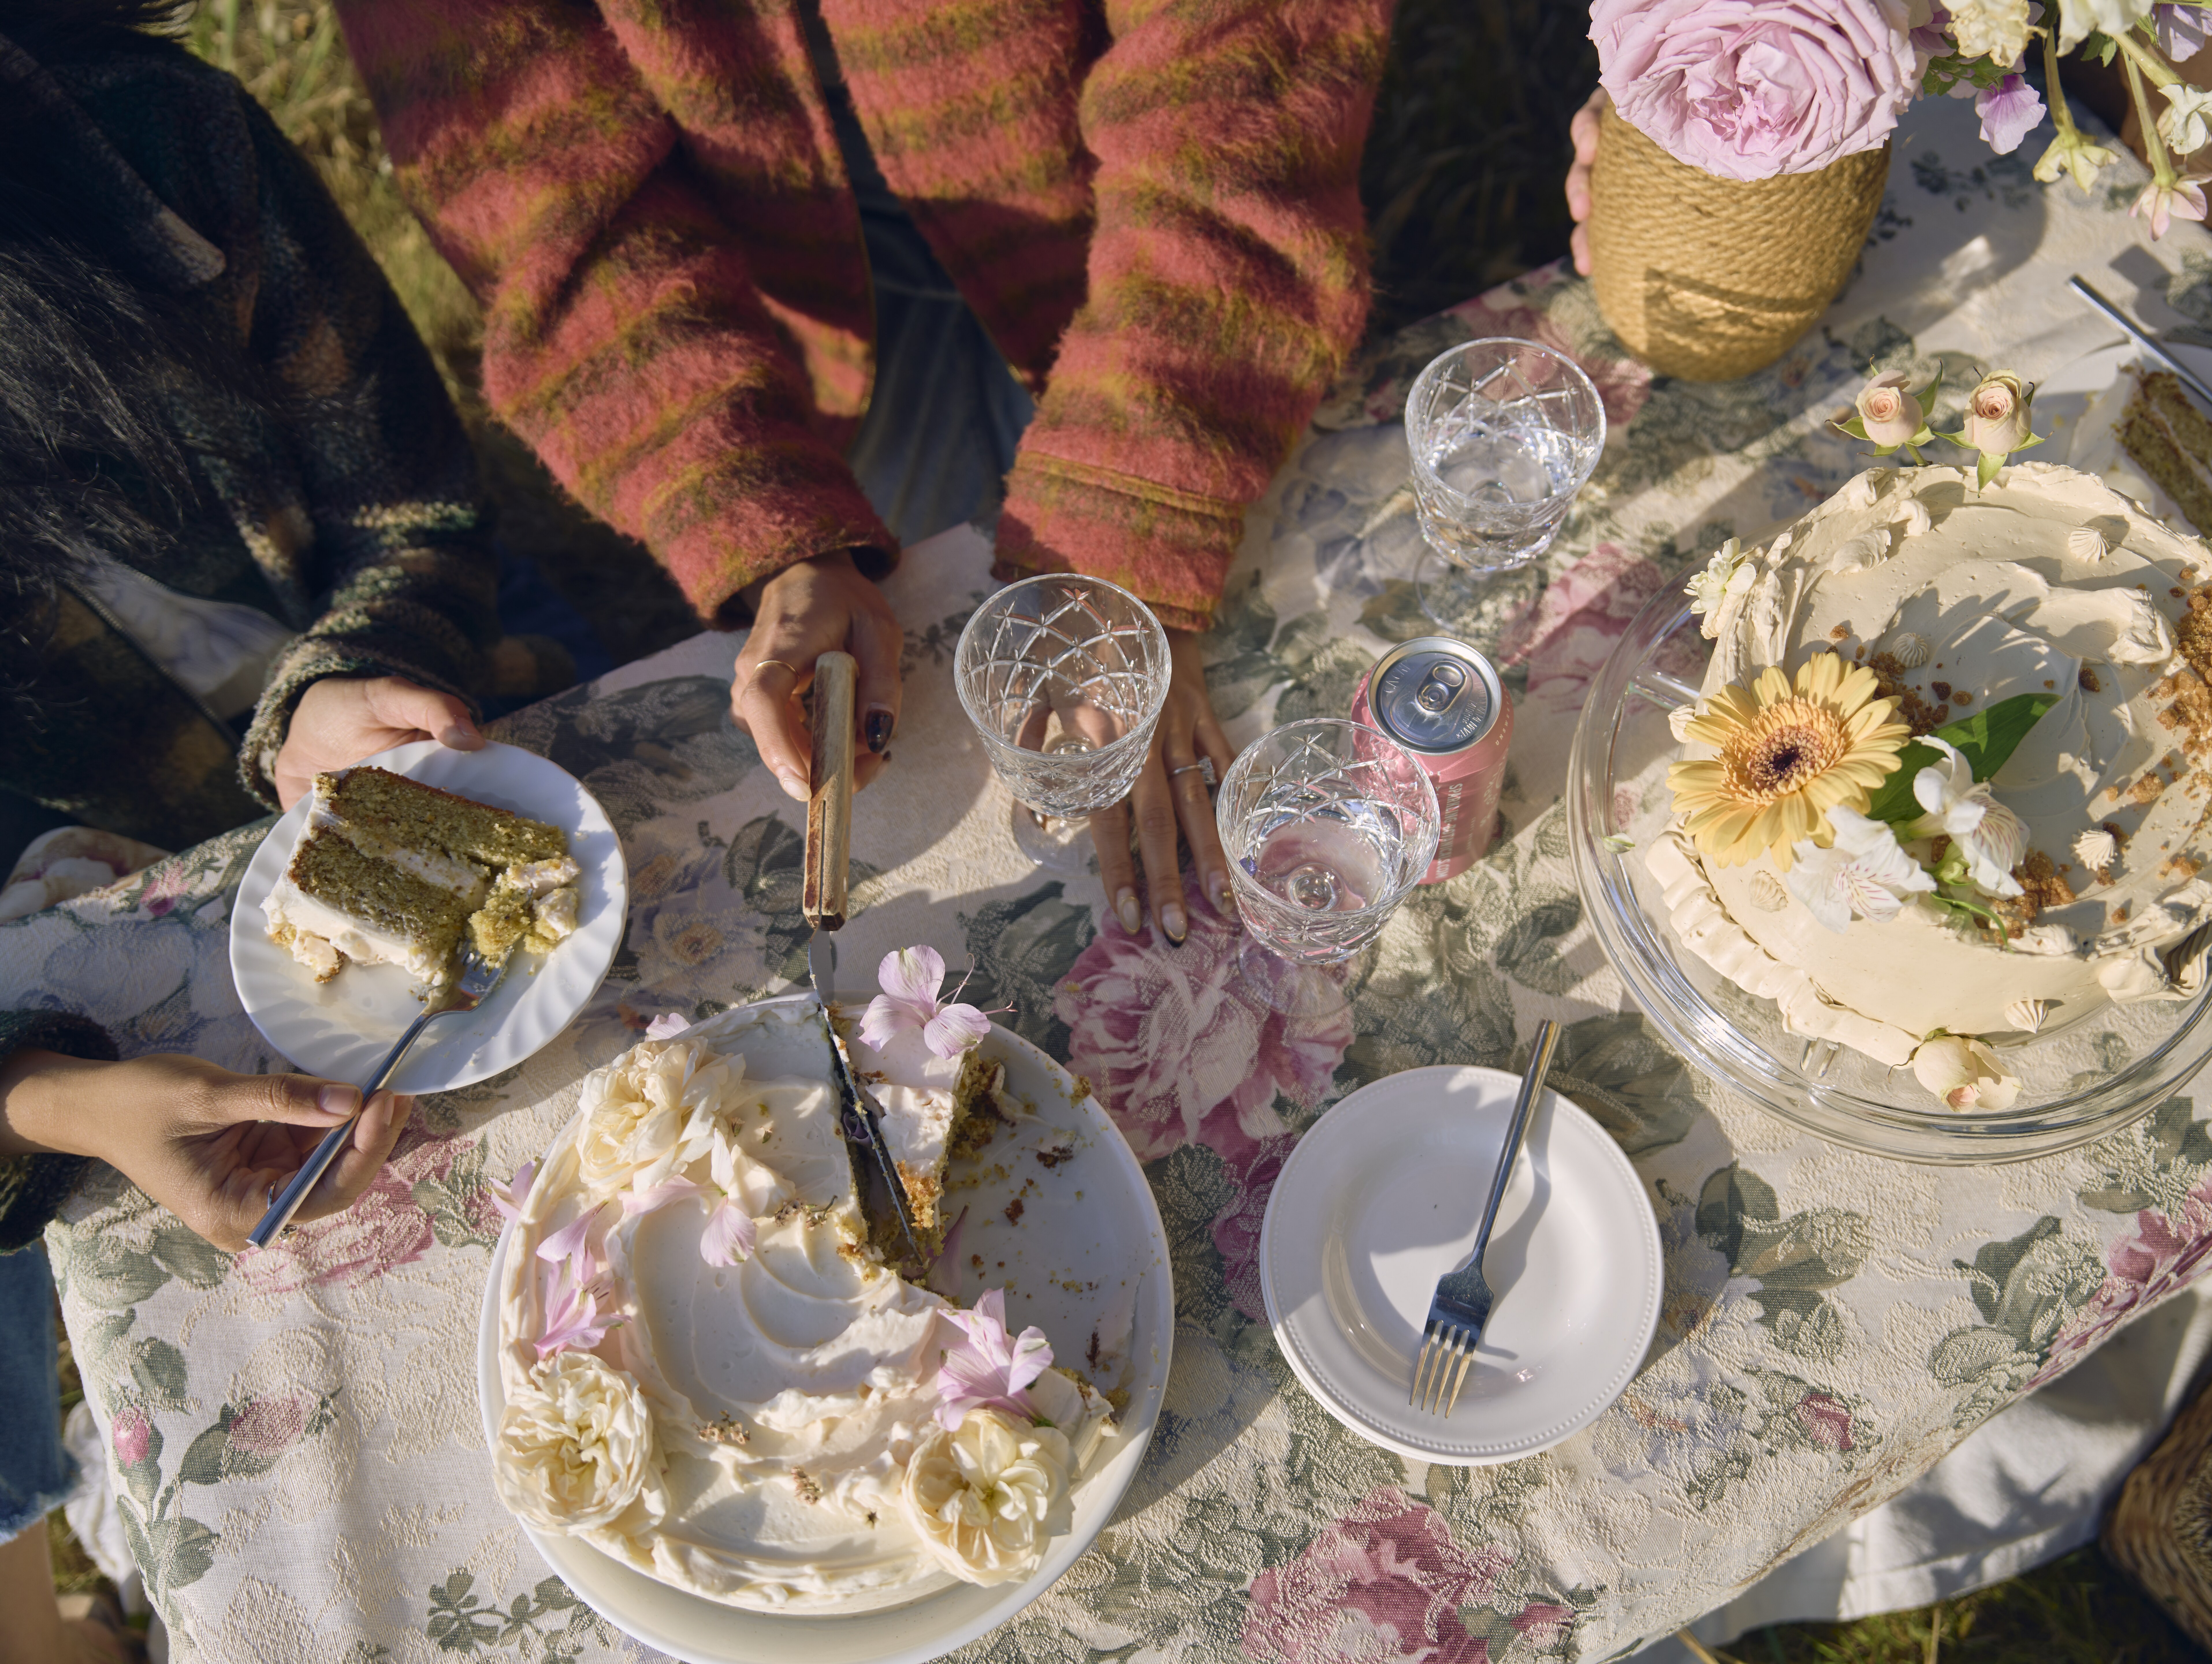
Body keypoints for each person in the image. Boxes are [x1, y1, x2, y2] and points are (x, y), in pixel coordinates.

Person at [327, 0, 1395, 947]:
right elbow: (532, 190)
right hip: (780, 308)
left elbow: (1245, 58)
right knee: (957, 675)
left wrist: (1135, 509)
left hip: (1151, 229)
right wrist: (768, 522)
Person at [0, 3, 519, 1649]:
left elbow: (415, 511)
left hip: (413, 746)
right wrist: (46, 1100)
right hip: (67, 962)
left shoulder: (140, 142)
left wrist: (352, 675)